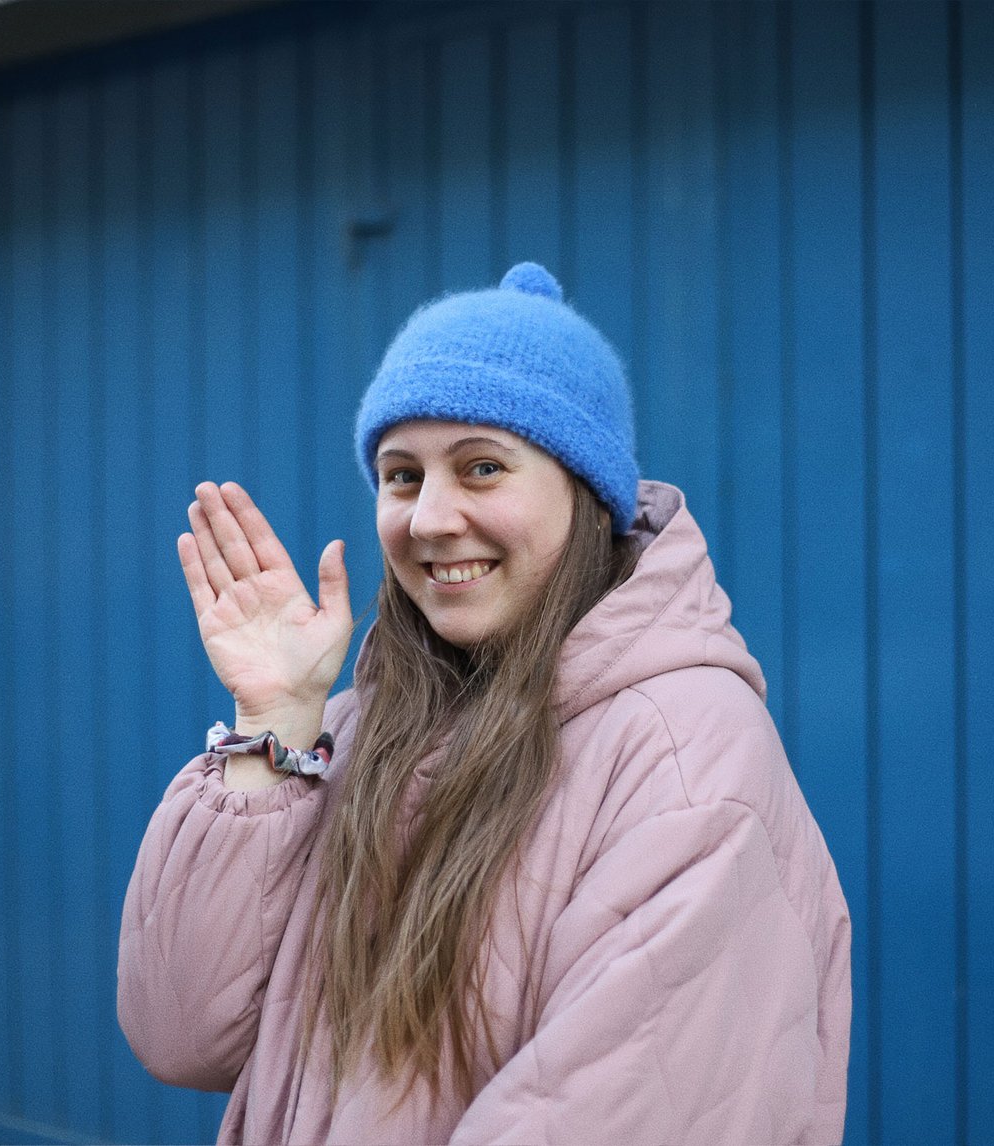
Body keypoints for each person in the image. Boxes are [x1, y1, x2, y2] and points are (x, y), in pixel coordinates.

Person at [117, 262, 851, 1143]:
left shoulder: (683, 757)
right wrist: (273, 724)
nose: (429, 518)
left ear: (586, 495)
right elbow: (181, 1036)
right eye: (401, 476)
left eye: (482, 468)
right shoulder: (352, 731)